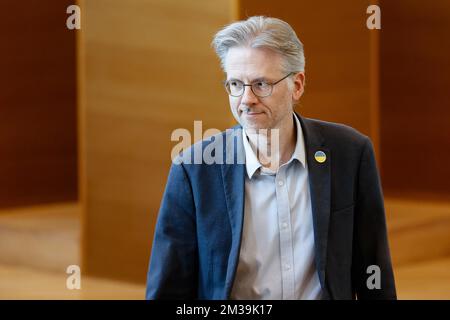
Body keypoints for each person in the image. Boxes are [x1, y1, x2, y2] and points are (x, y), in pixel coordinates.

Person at [146, 16, 396, 300]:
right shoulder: (194, 169)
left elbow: (374, 272)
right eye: (236, 84)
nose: (246, 99)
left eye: (261, 84)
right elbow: (168, 289)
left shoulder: (351, 153)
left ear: (297, 85)